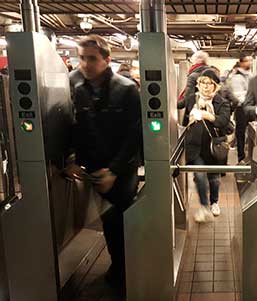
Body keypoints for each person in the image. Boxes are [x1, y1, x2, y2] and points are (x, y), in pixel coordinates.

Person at [66, 35, 142, 292]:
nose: (85, 64)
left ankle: (124, 272)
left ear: (107, 60)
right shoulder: (77, 88)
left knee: (119, 220)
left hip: (122, 167)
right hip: (96, 168)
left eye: (92, 58)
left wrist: (115, 170)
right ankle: (120, 267)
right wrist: (72, 159)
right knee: (109, 221)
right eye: (81, 58)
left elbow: (134, 135)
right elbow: (77, 129)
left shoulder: (127, 88)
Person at [185, 69, 230, 221]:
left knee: (214, 177)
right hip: (195, 145)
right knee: (199, 175)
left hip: (214, 145)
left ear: (215, 86)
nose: (205, 86)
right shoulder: (192, 99)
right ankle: (204, 205)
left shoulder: (221, 102)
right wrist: (191, 117)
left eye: (209, 83)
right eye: (202, 82)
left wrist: (207, 115)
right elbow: (184, 117)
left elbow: (223, 121)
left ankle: (214, 202)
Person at [231, 54, 253, 163]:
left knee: (253, 131)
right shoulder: (237, 77)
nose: (250, 63)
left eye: (251, 60)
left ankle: (251, 156)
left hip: (251, 107)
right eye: (248, 61)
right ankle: (241, 157)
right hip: (241, 108)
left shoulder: (251, 75)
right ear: (242, 63)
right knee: (241, 133)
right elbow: (238, 95)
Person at [178, 50, 210, 124]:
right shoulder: (212, 73)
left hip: (195, 112)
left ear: (198, 60)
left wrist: (176, 105)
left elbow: (188, 97)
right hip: (209, 111)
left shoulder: (193, 76)